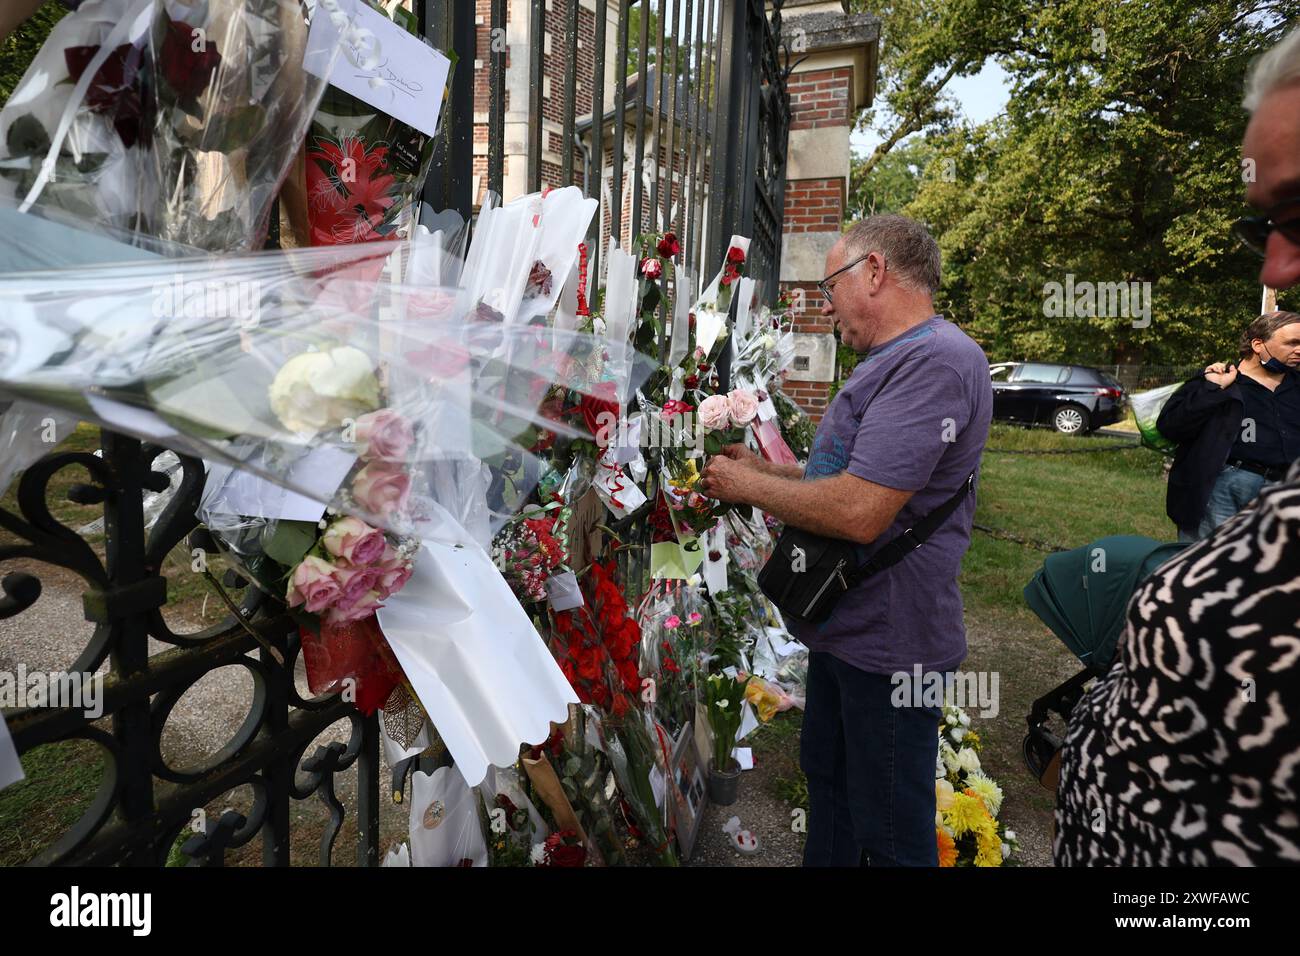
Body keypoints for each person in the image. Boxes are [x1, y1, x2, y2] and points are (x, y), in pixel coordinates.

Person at [1054, 25, 1300, 866]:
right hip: (1221, 492)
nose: (1274, 267)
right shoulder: (1225, 379)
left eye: (1296, 214)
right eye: (1263, 224)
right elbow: (1173, 424)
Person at [699, 215, 992, 866]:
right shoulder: (903, 357)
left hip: (891, 647)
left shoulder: (934, 362)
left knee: (889, 831)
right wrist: (766, 470)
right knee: (830, 792)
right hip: (850, 632)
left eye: (831, 284)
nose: (826, 303)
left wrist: (743, 489)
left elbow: (861, 511)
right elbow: (861, 472)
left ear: (875, 272)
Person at [1157, 311, 1300, 540]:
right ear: (1257, 344)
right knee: (1211, 566)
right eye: (1292, 343)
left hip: (1285, 493)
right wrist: (1212, 390)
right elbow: (1170, 427)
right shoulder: (1218, 380)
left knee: (1271, 572)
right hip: (1224, 487)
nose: (1299, 350)